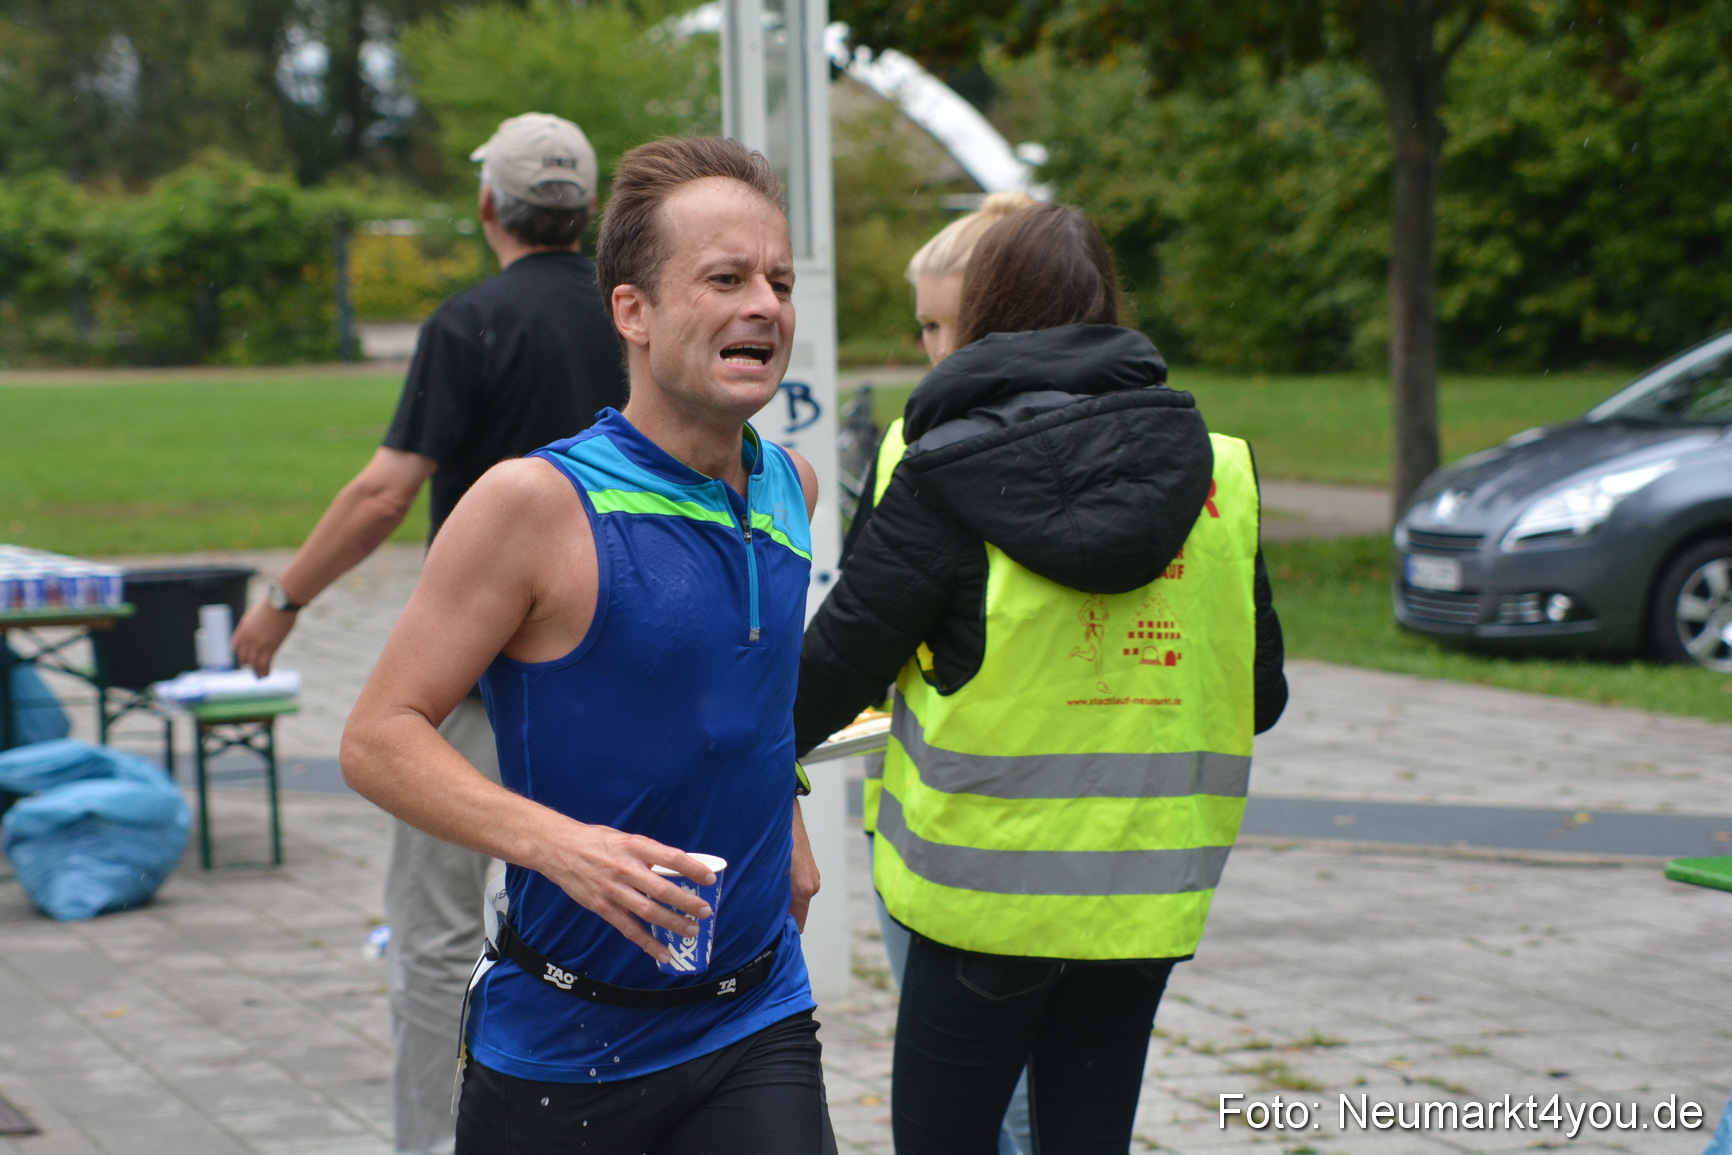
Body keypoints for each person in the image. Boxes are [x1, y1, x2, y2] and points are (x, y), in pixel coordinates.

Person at [341, 135, 831, 1155]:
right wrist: (554, 845)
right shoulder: (536, 504)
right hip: (567, 1046)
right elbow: (378, 737)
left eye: (779, 282)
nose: (765, 306)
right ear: (633, 312)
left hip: (755, 1012)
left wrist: (783, 812)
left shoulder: (792, 485)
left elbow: (746, 693)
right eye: (726, 278)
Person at [794, 202, 1288, 1153]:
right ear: (1107, 305)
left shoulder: (934, 462)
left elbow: (835, 673)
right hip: (1147, 895)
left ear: (984, 312)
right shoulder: (1224, 473)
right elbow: (1258, 698)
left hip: (981, 898)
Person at [229, 112, 628, 1155]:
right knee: (609, 919)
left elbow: (382, 496)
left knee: (438, 935)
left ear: (488, 205)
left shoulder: (471, 322)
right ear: (587, 212)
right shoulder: (632, 318)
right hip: (613, 674)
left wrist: (285, 599)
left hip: (481, 673)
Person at [844, 188, 1037, 1155]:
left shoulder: (920, 442)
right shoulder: (1150, 443)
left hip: (945, 827)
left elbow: (866, 632)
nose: (930, 353)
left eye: (942, 326)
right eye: (921, 326)